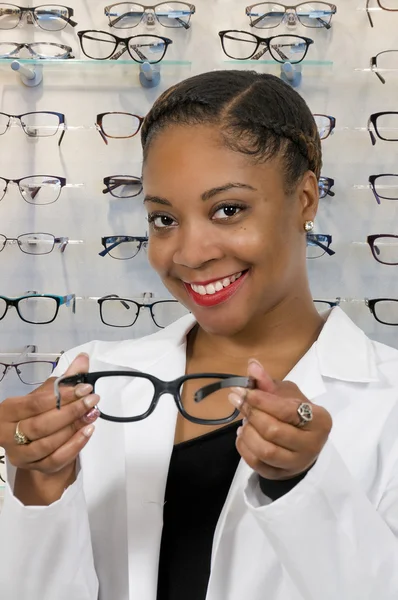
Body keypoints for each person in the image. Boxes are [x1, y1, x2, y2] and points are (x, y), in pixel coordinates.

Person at [0, 70, 398, 600]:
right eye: (163, 218)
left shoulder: (388, 404)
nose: (188, 254)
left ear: (304, 199)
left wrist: (302, 484)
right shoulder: (90, 379)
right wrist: (41, 486)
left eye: (227, 210)